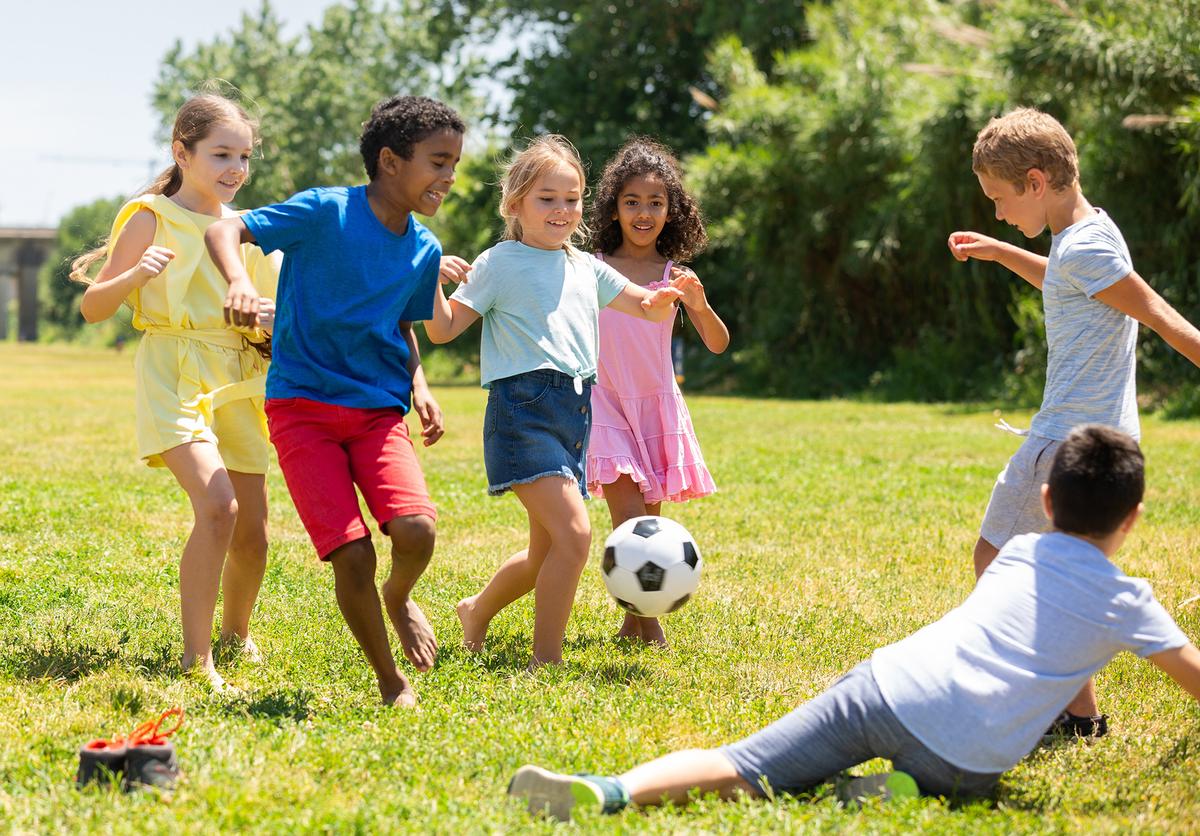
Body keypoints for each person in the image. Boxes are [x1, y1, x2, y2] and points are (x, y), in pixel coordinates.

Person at [507, 424, 1200, 822]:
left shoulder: (1019, 551)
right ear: (1133, 518)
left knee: (745, 765)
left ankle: (611, 791)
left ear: (1046, 502)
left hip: (891, 686)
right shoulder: (1128, 599)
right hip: (968, 761)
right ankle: (904, 786)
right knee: (940, 780)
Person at [947, 107, 1200, 734]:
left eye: (1002, 201)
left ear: (1036, 182)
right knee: (1057, 569)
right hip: (1101, 438)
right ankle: (1078, 715)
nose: (1001, 212)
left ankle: (1031, 697)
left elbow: (1160, 315)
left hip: (1063, 440)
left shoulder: (1083, 245)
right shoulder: (1087, 233)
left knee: (994, 558)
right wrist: (1001, 251)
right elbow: (1068, 283)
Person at [207, 95, 464, 706]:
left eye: (454, 163)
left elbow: (400, 325)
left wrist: (420, 386)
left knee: (416, 531)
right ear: (390, 161)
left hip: (378, 413)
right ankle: (389, 678)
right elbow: (226, 227)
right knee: (351, 554)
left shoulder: (424, 250)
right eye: (438, 162)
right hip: (301, 410)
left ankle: (398, 597)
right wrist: (240, 280)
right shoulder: (325, 211)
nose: (449, 177)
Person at [426, 135, 694, 666]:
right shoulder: (499, 262)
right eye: (547, 198)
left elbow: (645, 306)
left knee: (543, 551)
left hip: (573, 415)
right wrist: (429, 282)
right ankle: (544, 661)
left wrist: (665, 297)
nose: (562, 210)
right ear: (516, 204)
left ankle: (476, 611)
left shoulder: (584, 267)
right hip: (522, 414)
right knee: (574, 535)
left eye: (571, 199)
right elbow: (443, 330)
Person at [73, 94, 278, 693]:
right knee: (219, 507)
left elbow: (263, 313)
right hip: (173, 367)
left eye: (243, 155)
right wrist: (135, 275)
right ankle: (198, 660)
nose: (235, 168)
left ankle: (237, 635)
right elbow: (92, 306)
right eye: (221, 154)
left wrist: (265, 322)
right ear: (181, 152)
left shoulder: (244, 228)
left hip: (237, 377)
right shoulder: (149, 216)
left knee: (255, 529)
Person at [587, 138, 729, 646]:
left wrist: (698, 302)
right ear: (613, 207)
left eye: (655, 203)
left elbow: (716, 343)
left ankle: (632, 622)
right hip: (605, 405)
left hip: (656, 408)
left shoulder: (676, 276)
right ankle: (652, 626)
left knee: (649, 524)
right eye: (632, 202)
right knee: (627, 522)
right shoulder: (591, 267)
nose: (643, 213)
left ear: (673, 210)